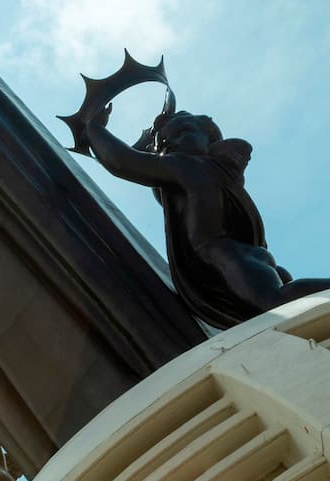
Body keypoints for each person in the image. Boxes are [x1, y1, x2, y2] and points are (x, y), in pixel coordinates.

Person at [85, 104, 330, 327]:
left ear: (208, 141)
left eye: (184, 133)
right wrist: (152, 138)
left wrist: (95, 129)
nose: (172, 146)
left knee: (275, 303)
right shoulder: (210, 173)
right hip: (247, 255)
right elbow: (149, 174)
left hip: (224, 255)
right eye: (167, 143)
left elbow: (124, 161)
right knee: (284, 308)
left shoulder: (188, 167)